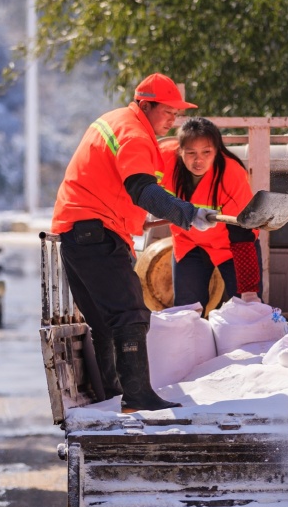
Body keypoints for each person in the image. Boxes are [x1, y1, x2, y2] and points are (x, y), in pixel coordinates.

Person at [51, 73, 219, 412]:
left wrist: (168, 215)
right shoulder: (135, 134)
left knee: (104, 321)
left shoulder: (116, 122)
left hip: (77, 232)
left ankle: (113, 396)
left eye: (177, 113)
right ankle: (137, 396)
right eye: (168, 111)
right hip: (96, 233)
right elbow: (142, 189)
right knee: (130, 316)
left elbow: (119, 193)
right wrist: (186, 213)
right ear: (146, 104)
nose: (174, 120)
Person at [161, 117, 263, 309]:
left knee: (248, 307)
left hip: (231, 245)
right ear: (179, 151)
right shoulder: (164, 160)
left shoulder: (232, 173)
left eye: (206, 152)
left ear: (217, 150)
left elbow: (241, 230)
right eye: (190, 152)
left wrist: (248, 288)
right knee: (186, 310)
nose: (198, 160)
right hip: (188, 242)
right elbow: (141, 186)